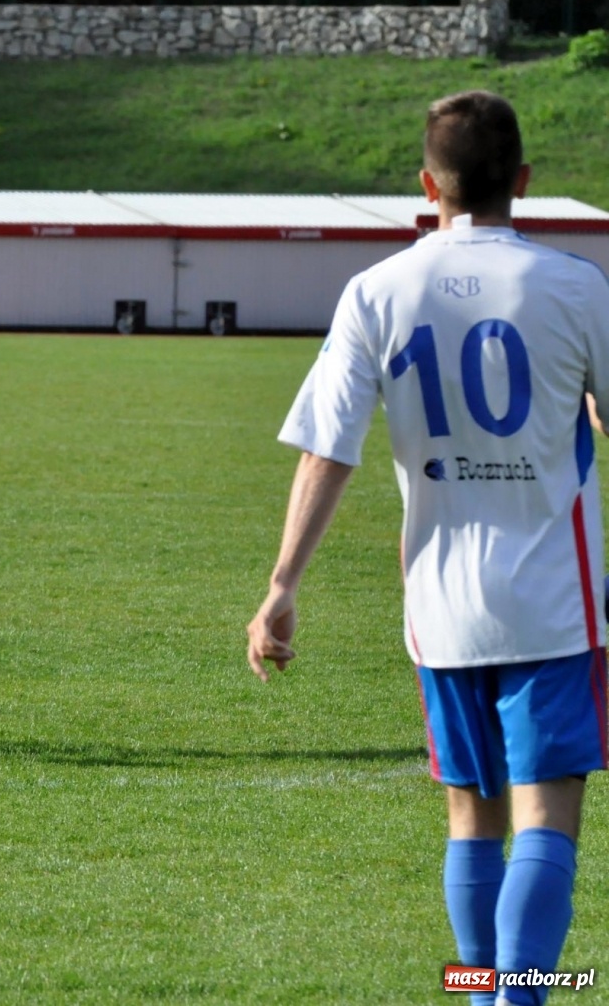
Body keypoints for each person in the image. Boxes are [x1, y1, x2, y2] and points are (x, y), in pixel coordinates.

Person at [247, 90, 609, 1006]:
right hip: (555, 601)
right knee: (547, 815)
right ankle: (516, 998)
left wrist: (283, 583)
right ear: (523, 182)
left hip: (441, 608)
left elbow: (329, 448)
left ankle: (480, 990)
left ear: (427, 185)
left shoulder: (377, 290)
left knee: (470, 819)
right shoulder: (576, 284)